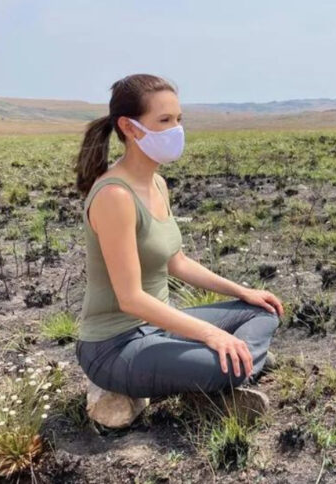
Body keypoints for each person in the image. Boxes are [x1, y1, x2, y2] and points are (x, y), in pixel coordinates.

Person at [74, 74, 284, 414]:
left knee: (263, 310)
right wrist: (210, 334)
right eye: (164, 121)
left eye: (178, 119)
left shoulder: (157, 183)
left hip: (159, 329)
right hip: (115, 347)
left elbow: (178, 262)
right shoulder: (115, 195)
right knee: (224, 361)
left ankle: (233, 362)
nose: (175, 129)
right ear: (129, 127)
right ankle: (236, 365)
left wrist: (242, 291)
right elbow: (130, 299)